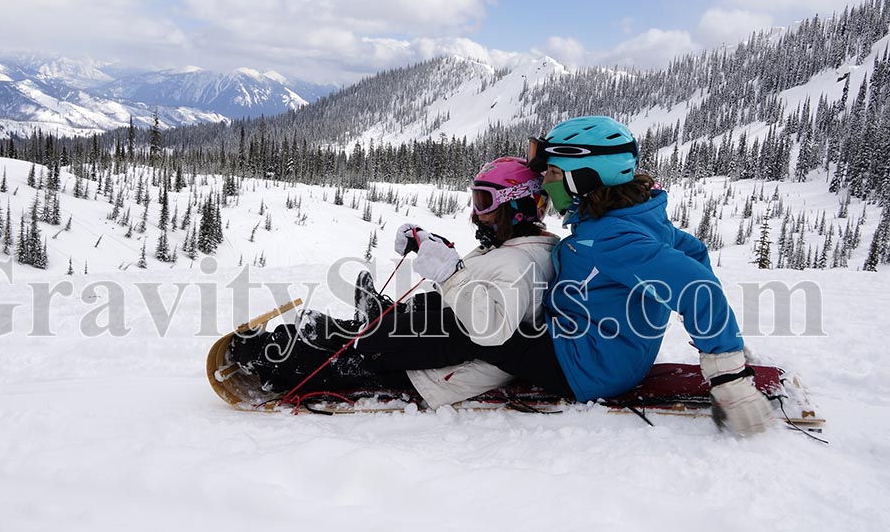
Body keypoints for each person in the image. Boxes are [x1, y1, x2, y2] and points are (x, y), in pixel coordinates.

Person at [484, 115, 773, 436]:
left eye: (553, 172)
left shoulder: (611, 237)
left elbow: (695, 287)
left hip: (585, 365)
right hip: (602, 351)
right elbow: (694, 254)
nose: (546, 183)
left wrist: (728, 374)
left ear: (585, 176)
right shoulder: (632, 217)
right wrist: (723, 341)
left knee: (474, 328)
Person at [228, 156, 560, 408]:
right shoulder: (515, 248)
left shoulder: (518, 263)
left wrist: (450, 273)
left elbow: (492, 330)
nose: (476, 213)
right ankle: (349, 327)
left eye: (484, 202)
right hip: (441, 347)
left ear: (518, 206)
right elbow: (472, 282)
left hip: (440, 373)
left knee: (345, 363)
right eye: (476, 200)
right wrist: (429, 244)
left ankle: (271, 357)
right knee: (373, 329)